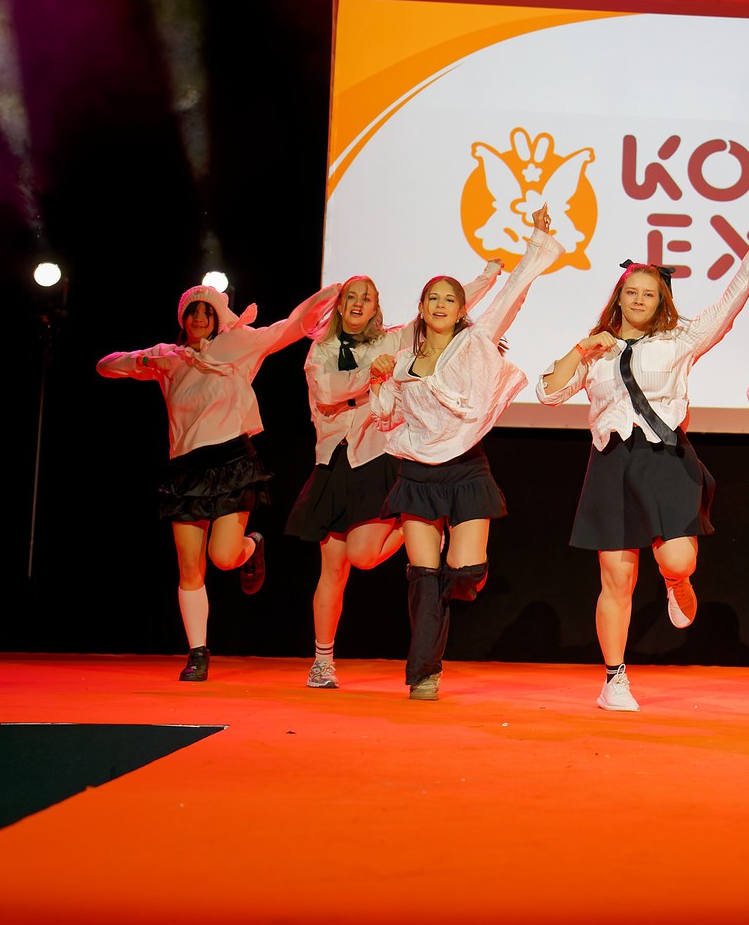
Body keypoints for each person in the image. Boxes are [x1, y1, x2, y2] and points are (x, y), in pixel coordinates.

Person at [538, 222, 749, 711]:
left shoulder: (679, 339)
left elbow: (726, 309)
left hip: (665, 458)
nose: (639, 300)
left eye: (649, 293)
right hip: (612, 462)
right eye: (632, 292)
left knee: (678, 560)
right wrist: (582, 350)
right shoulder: (598, 348)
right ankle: (614, 679)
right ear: (619, 297)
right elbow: (548, 393)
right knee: (617, 576)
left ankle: (676, 583)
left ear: (661, 300)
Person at [97, 279, 337, 681]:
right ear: (183, 319)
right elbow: (106, 365)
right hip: (186, 469)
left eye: (206, 312)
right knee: (189, 566)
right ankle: (197, 653)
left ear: (217, 318)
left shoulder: (236, 345)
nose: (199, 318)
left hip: (232, 461)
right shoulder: (169, 358)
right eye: (192, 312)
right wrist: (144, 360)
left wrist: (329, 294)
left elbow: (290, 327)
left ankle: (252, 544)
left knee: (223, 557)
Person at [371, 208, 558, 702]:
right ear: (421, 308)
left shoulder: (474, 342)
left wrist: (537, 242)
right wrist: (379, 379)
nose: (440, 305)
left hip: (465, 470)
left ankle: (466, 582)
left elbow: (513, 293)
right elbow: (387, 419)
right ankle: (424, 673)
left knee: (464, 575)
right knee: (422, 578)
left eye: (449, 299)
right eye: (432, 298)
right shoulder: (403, 362)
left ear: (461, 310)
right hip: (417, 475)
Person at [286, 263, 500, 690]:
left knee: (363, 556)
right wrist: (373, 373)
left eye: (367, 297)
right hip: (332, 461)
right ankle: (323, 661)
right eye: (351, 296)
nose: (358, 303)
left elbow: (443, 310)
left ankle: (419, 525)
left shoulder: (393, 340)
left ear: (376, 308)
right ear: (339, 306)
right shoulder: (320, 351)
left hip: (373, 457)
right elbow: (327, 392)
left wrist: (488, 277)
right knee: (332, 568)